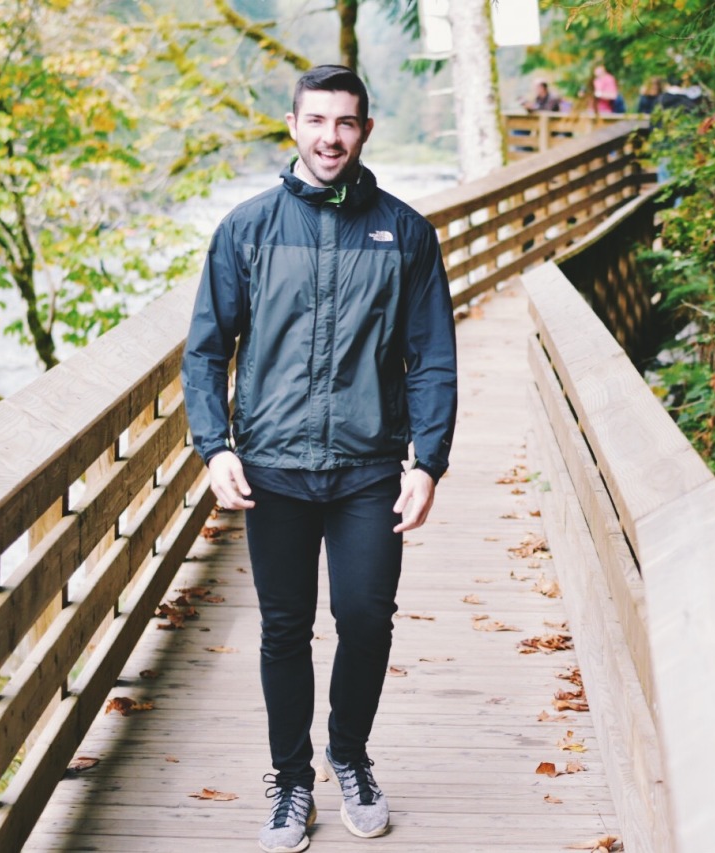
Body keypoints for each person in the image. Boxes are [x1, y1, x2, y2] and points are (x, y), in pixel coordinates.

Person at [181, 65, 457, 853]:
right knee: (283, 626)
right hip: (273, 466)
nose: (330, 136)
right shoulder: (248, 229)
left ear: (365, 130)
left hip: (371, 466)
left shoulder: (404, 232)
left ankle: (349, 751)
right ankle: (290, 777)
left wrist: (427, 460)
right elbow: (205, 351)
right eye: (317, 121)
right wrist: (214, 447)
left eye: (345, 122)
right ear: (293, 126)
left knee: (367, 619)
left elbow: (432, 356)